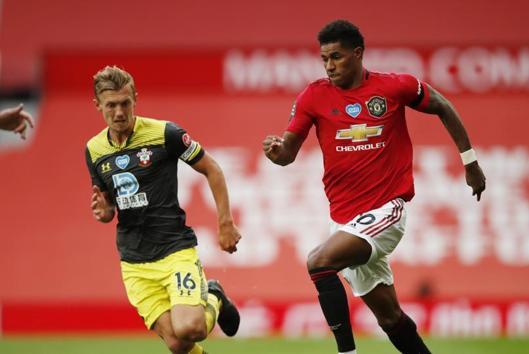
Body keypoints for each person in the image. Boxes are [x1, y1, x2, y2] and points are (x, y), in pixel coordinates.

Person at [263, 20, 486, 354]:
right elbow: (288, 155)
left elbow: (441, 105)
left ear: (358, 53)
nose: (329, 65)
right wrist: (277, 152)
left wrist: (470, 162)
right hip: (345, 221)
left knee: (318, 261)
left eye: (336, 57)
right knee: (390, 317)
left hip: (386, 211)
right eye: (324, 59)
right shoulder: (313, 96)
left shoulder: (394, 88)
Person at [85, 66, 242, 354]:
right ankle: (212, 299)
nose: (119, 112)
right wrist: (105, 212)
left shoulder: (164, 134)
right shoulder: (94, 150)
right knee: (178, 344)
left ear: (135, 98)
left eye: (125, 103)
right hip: (134, 260)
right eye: (111, 105)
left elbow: (212, 169)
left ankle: (215, 296)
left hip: (174, 250)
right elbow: (108, 206)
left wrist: (225, 223)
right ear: (98, 106)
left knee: (191, 329)